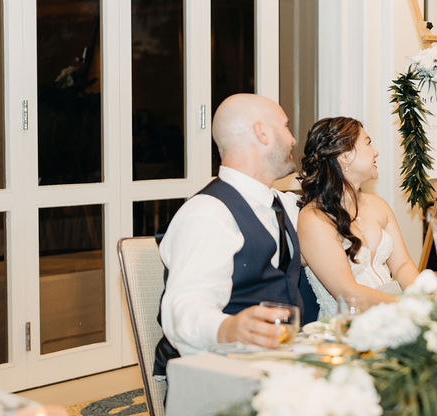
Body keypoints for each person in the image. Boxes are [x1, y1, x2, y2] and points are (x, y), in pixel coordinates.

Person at [155, 94, 319, 373]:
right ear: (262, 133)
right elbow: (182, 311)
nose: (293, 140)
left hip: (281, 363)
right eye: (286, 126)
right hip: (223, 375)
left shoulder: (278, 203)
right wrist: (229, 328)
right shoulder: (209, 214)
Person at [297, 117, 418, 317]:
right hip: (347, 327)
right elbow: (348, 294)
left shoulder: (378, 205)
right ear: (345, 155)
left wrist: (422, 297)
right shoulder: (314, 219)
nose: (376, 152)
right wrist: (407, 305)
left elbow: (403, 265)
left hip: (396, 314)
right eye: (368, 143)